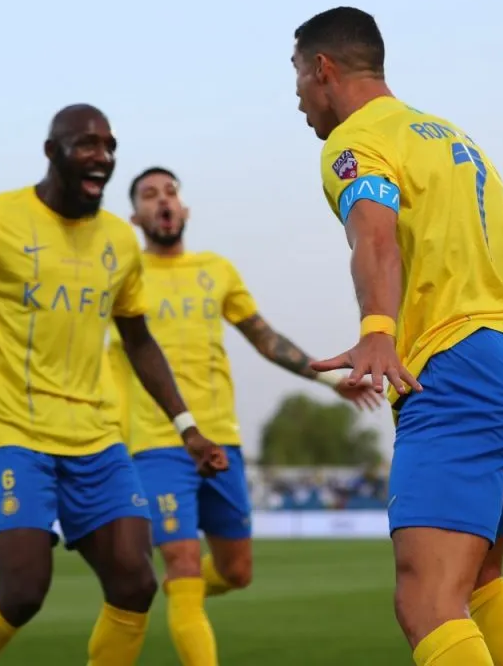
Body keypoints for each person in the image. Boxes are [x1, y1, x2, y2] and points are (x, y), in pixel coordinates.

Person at [291, 7, 503, 666]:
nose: (298, 101)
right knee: (481, 581)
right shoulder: (456, 142)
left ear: (323, 69)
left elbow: (373, 233)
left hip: (458, 372)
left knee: (426, 601)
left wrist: (376, 330)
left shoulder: (354, 141)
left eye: (297, 79)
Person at [0, 104, 228, 666]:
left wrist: (187, 427)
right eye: (86, 145)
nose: (101, 156)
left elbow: (139, 340)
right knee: (24, 593)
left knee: (136, 585)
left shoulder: (120, 242)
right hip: (14, 432)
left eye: (108, 146)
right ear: (52, 153)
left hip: (97, 438)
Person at [107, 166, 382, 665]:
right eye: (149, 195)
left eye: (170, 192)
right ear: (135, 216)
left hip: (222, 442)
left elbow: (263, 337)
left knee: (236, 572)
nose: (162, 201)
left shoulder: (217, 270)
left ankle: (180, 592)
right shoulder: (122, 275)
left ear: (184, 208)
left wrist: (327, 380)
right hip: (156, 441)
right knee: (185, 562)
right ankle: (184, 592)